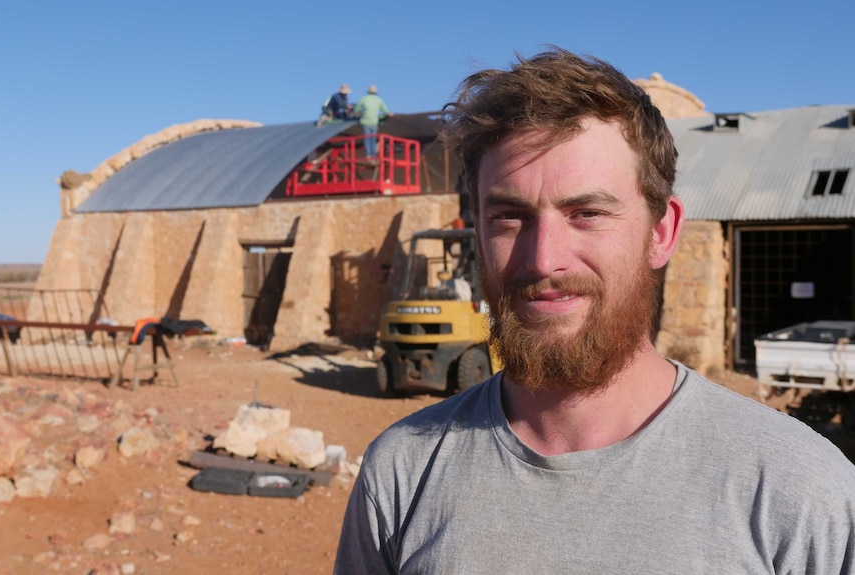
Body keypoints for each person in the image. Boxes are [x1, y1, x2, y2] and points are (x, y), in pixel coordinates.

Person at [333, 48, 855, 574]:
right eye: (510, 216)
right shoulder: (401, 473)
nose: (543, 260)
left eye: (587, 213)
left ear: (662, 233)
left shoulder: (800, 491)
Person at [353, 85, 393, 159]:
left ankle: (368, 155)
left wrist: (356, 111)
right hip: (374, 122)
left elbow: (356, 109)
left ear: (368, 92)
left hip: (365, 121)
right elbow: (385, 110)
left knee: (367, 138)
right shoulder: (378, 100)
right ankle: (373, 155)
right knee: (373, 139)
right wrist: (388, 114)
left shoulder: (364, 99)